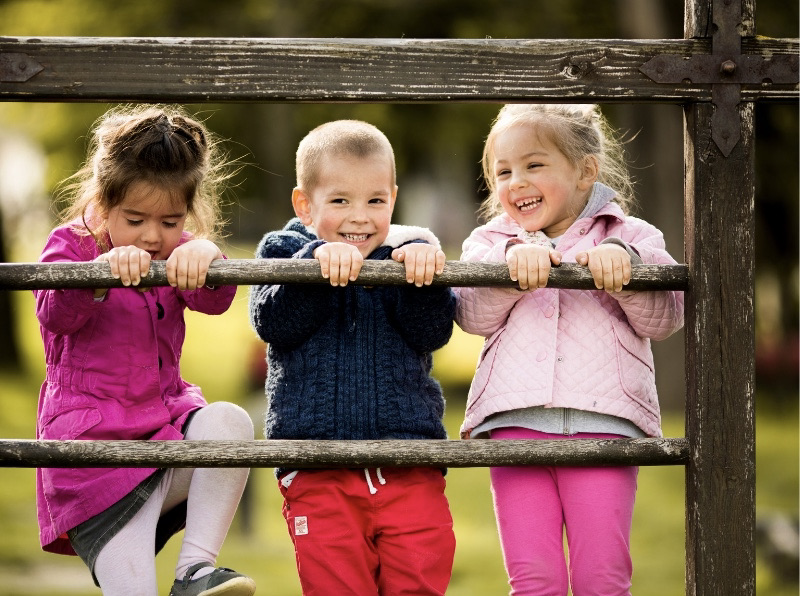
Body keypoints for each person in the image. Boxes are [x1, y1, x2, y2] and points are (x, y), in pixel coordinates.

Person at [455, 103, 685, 595]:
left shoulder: (632, 236)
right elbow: (471, 316)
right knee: (534, 578)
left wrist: (623, 270)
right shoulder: (491, 240)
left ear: (585, 171)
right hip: (514, 423)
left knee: (602, 576)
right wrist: (510, 269)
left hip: (606, 423)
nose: (516, 181)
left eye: (534, 165)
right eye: (503, 171)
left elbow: (666, 319)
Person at [34, 105, 256, 596]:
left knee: (230, 423)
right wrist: (100, 273)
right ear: (103, 202)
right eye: (135, 220)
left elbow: (214, 300)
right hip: (97, 459)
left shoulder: (177, 250)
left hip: (164, 437)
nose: (154, 236)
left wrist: (207, 255)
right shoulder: (71, 245)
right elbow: (54, 314)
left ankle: (195, 570)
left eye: (171, 221)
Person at [249, 119, 457, 595]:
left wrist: (422, 277)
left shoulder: (404, 256)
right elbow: (272, 322)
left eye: (376, 201)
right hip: (319, 466)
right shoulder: (283, 250)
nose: (360, 217)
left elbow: (434, 332)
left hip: (409, 462)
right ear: (304, 204)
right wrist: (313, 267)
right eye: (340, 201)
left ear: (393, 197)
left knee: (419, 580)